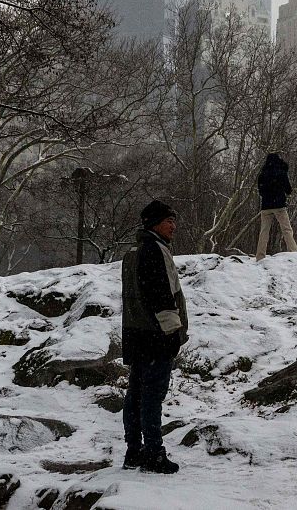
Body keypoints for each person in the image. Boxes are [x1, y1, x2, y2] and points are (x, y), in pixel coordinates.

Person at [121, 200, 188, 474]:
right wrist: (173, 333)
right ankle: (153, 454)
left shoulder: (135, 252)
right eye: (168, 220)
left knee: (136, 394)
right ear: (154, 224)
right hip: (156, 336)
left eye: (173, 220)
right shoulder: (155, 251)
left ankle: (134, 451)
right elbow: (160, 295)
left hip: (137, 336)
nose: (173, 226)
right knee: (151, 397)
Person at [254, 151, 297, 260]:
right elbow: (288, 190)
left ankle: (260, 256)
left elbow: (260, 191)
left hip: (266, 206)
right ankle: (294, 253)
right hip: (279, 206)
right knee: (287, 229)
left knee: (264, 231)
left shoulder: (262, 174)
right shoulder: (281, 173)